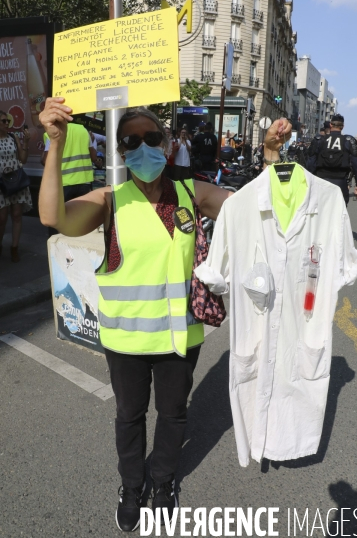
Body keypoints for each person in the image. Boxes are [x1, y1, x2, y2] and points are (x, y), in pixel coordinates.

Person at [38, 97, 236, 533]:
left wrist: (275, 158)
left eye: (152, 138)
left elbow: (248, 210)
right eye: (131, 141)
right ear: (120, 152)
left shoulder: (192, 192)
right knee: (129, 417)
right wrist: (54, 144)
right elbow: (54, 217)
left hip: (180, 339)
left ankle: (162, 484)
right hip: (125, 341)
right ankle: (132, 487)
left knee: (173, 415)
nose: (143, 147)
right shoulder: (109, 201)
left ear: (166, 146)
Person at [307, 114, 357, 205]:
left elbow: (311, 162)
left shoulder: (319, 140)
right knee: (340, 211)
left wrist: (308, 181)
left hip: (321, 180)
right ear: (343, 127)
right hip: (340, 180)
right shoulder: (349, 140)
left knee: (320, 210)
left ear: (331, 125)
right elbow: (356, 164)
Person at [0, 111, 32, 262]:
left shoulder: (13, 138)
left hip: (17, 181)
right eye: (3, 121)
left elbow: (23, 159)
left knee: (17, 215)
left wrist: (25, 142)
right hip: (1, 183)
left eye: (8, 121)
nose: (7, 123)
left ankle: (14, 248)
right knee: (2, 217)